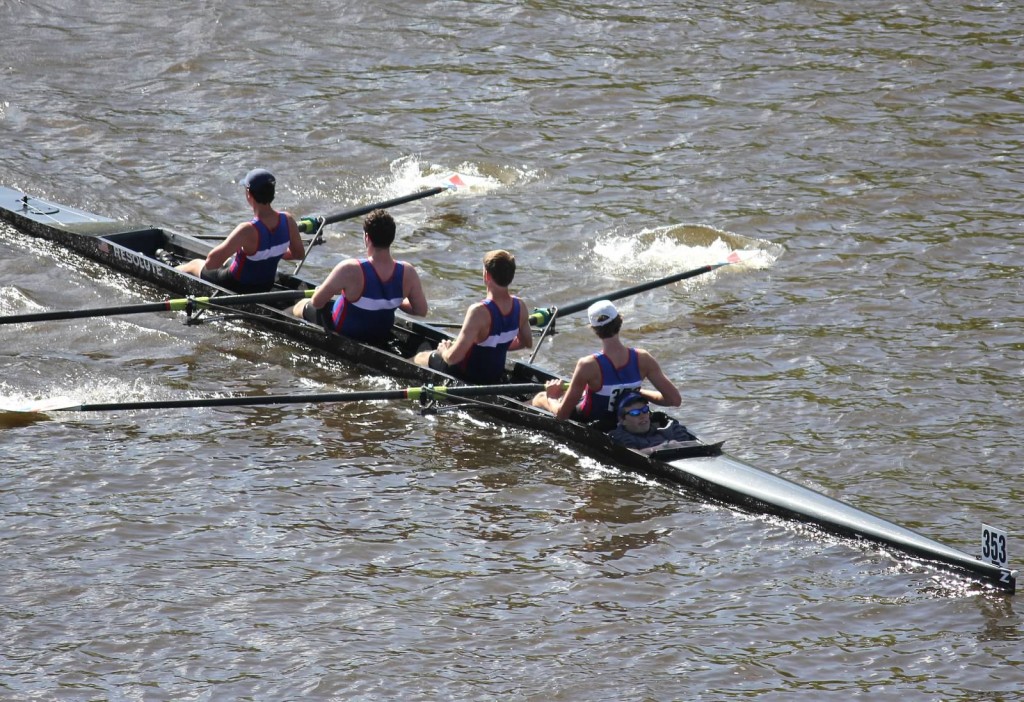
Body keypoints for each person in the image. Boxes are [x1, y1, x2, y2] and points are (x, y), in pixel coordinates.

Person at [531, 299, 681, 427]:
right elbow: (674, 400)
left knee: (540, 397)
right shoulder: (643, 358)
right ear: (620, 321)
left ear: (594, 329)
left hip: (593, 421)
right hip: (627, 419)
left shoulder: (588, 365)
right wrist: (635, 392)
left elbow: (562, 416)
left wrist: (551, 396)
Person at [291, 208, 428, 344]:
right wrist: (395, 300)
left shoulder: (350, 269)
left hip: (343, 330)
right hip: (379, 334)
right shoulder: (408, 272)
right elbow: (421, 310)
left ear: (367, 237)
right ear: (391, 238)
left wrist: (320, 292)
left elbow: (317, 302)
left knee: (302, 304)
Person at [413, 249, 532, 384]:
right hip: (494, 376)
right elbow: (526, 342)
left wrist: (444, 351)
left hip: (465, 376)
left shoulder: (479, 311)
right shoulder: (520, 306)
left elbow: (452, 358)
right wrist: (498, 345)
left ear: (487, 275)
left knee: (420, 357)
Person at [177, 168, 305, 293]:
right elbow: (298, 254)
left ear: (249, 194)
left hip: (235, 285)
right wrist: (271, 251)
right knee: (232, 260)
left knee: (196, 264)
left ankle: (169, 270)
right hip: (265, 285)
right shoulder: (288, 220)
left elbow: (211, 262)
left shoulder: (247, 230)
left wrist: (261, 251)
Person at [607, 392, 696, 453]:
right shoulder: (619, 436)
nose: (642, 415)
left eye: (645, 410)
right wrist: (665, 447)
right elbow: (632, 454)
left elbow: (694, 445)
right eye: (635, 413)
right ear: (623, 420)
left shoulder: (669, 428)